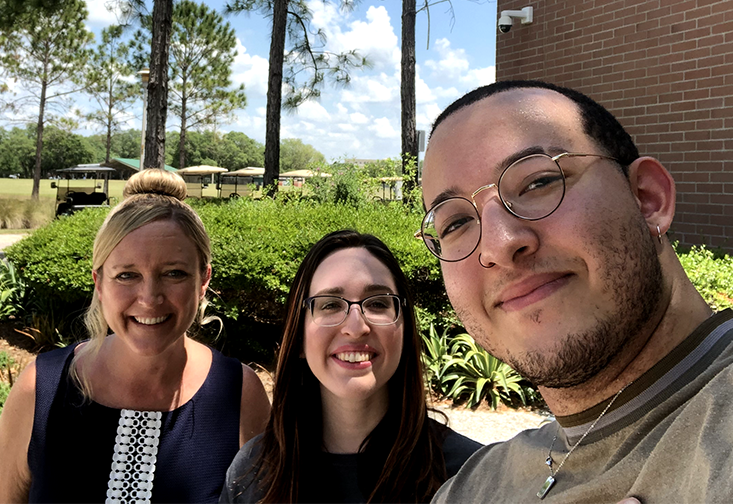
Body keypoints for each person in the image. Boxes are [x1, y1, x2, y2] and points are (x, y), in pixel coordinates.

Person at [416, 79, 733, 503]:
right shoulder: (468, 489)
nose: (498, 245)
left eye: (537, 182)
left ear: (647, 198)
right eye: (454, 223)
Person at [0, 169, 271, 503]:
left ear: (203, 281)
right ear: (99, 283)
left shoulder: (239, 394)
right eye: (127, 275)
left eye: (174, 273)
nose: (149, 298)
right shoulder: (40, 389)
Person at [220, 230, 482, 503]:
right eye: (330, 305)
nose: (356, 327)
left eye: (378, 303)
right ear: (298, 336)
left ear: (404, 329)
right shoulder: (250, 475)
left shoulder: (471, 476)